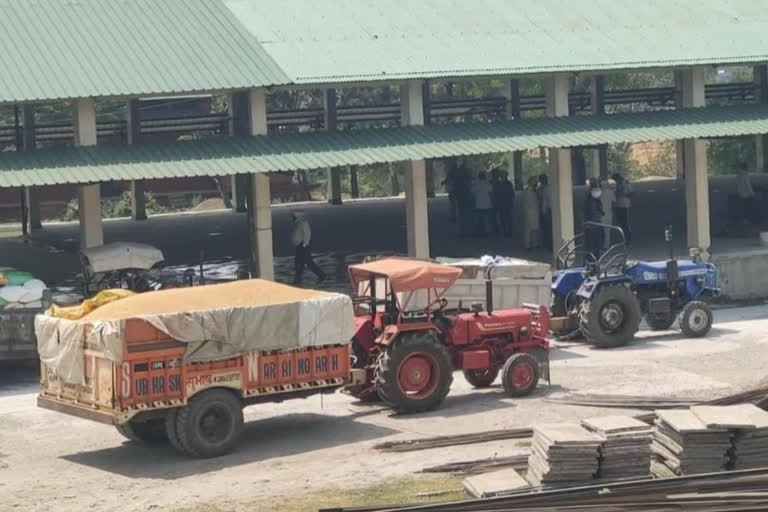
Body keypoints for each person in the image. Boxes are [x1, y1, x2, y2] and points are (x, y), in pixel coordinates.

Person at [291, 211, 325, 285]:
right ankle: (298, 278)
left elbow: (307, 234)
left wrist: (304, 244)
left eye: (293, 216)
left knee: (308, 263)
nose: (292, 218)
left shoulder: (303, 223)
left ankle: (321, 275)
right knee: (299, 262)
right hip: (299, 246)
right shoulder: (298, 223)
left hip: (303, 246)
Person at [584, 179, 605, 262]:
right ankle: (591, 264)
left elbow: (601, 212)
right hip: (591, 226)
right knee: (591, 247)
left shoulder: (596, 200)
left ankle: (595, 263)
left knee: (596, 247)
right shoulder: (589, 200)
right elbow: (587, 213)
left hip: (597, 225)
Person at [492, 168, 515, 236]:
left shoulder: (501, 184)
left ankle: (508, 231)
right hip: (503, 203)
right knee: (504, 218)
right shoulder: (507, 183)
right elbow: (512, 194)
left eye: (503, 175)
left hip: (505, 203)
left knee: (506, 218)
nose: (502, 176)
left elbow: (511, 194)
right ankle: (506, 231)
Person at [613, 173, 633, 247]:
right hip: (618, 205)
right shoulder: (617, 184)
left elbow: (631, 193)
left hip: (624, 205)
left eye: (616, 179)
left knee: (625, 223)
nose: (615, 181)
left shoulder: (626, 182)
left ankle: (628, 239)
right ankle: (622, 238)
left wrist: (623, 194)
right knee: (620, 223)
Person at [472, 171, 494, 236]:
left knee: (478, 219)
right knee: (487, 219)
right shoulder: (488, 184)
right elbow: (491, 193)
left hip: (478, 204)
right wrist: (492, 202)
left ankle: (477, 232)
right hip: (487, 204)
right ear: (485, 176)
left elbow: (473, 193)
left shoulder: (476, 184)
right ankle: (488, 232)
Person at [524, 176, 541, 249]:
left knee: (535, 229)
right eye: (535, 182)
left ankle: (535, 243)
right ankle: (527, 245)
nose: (536, 183)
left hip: (535, 211)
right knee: (529, 229)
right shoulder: (528, 191)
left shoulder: (534, 191)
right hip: (530, 212)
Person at [600, 177, 616, 249]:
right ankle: (606, 245)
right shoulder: (611, 192)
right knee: (607, 231)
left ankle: (600, 244)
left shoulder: (599, 192)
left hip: (600, 214)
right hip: (609, 214)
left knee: (600, 230)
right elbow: (613, 203)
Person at [538, 174, 552, 250]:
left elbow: (544, 201)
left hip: (548, 211)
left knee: (547, 229)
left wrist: (543, 211)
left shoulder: (544, 189)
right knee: (550, 228)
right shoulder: (551, 187)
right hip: (552, 210)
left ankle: (548, 245)